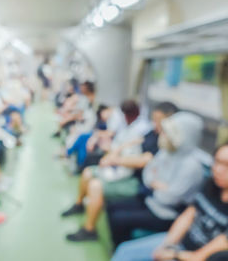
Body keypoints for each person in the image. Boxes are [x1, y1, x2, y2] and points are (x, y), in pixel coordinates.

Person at [111, 140, 228, 261]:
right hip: (180, 242)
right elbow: (189, 214)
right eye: (217, 162)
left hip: (200, 256)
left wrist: (174, 255)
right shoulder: (211, 184)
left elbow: (210, 252)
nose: (219, 169)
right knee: (124, 252)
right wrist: (168, 245)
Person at [63, 102, 177, 242]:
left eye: (159, 121)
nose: (155, 124)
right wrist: (116, 152)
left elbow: (144, 160)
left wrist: (115, 160)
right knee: (87, 172)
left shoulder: (164, 143)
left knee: (95, 186)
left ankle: (89, 229)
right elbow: (136, 142)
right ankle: (79, 204)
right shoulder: (152, 133)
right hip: (125, 171)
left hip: (136, 182)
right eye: (154, 120)